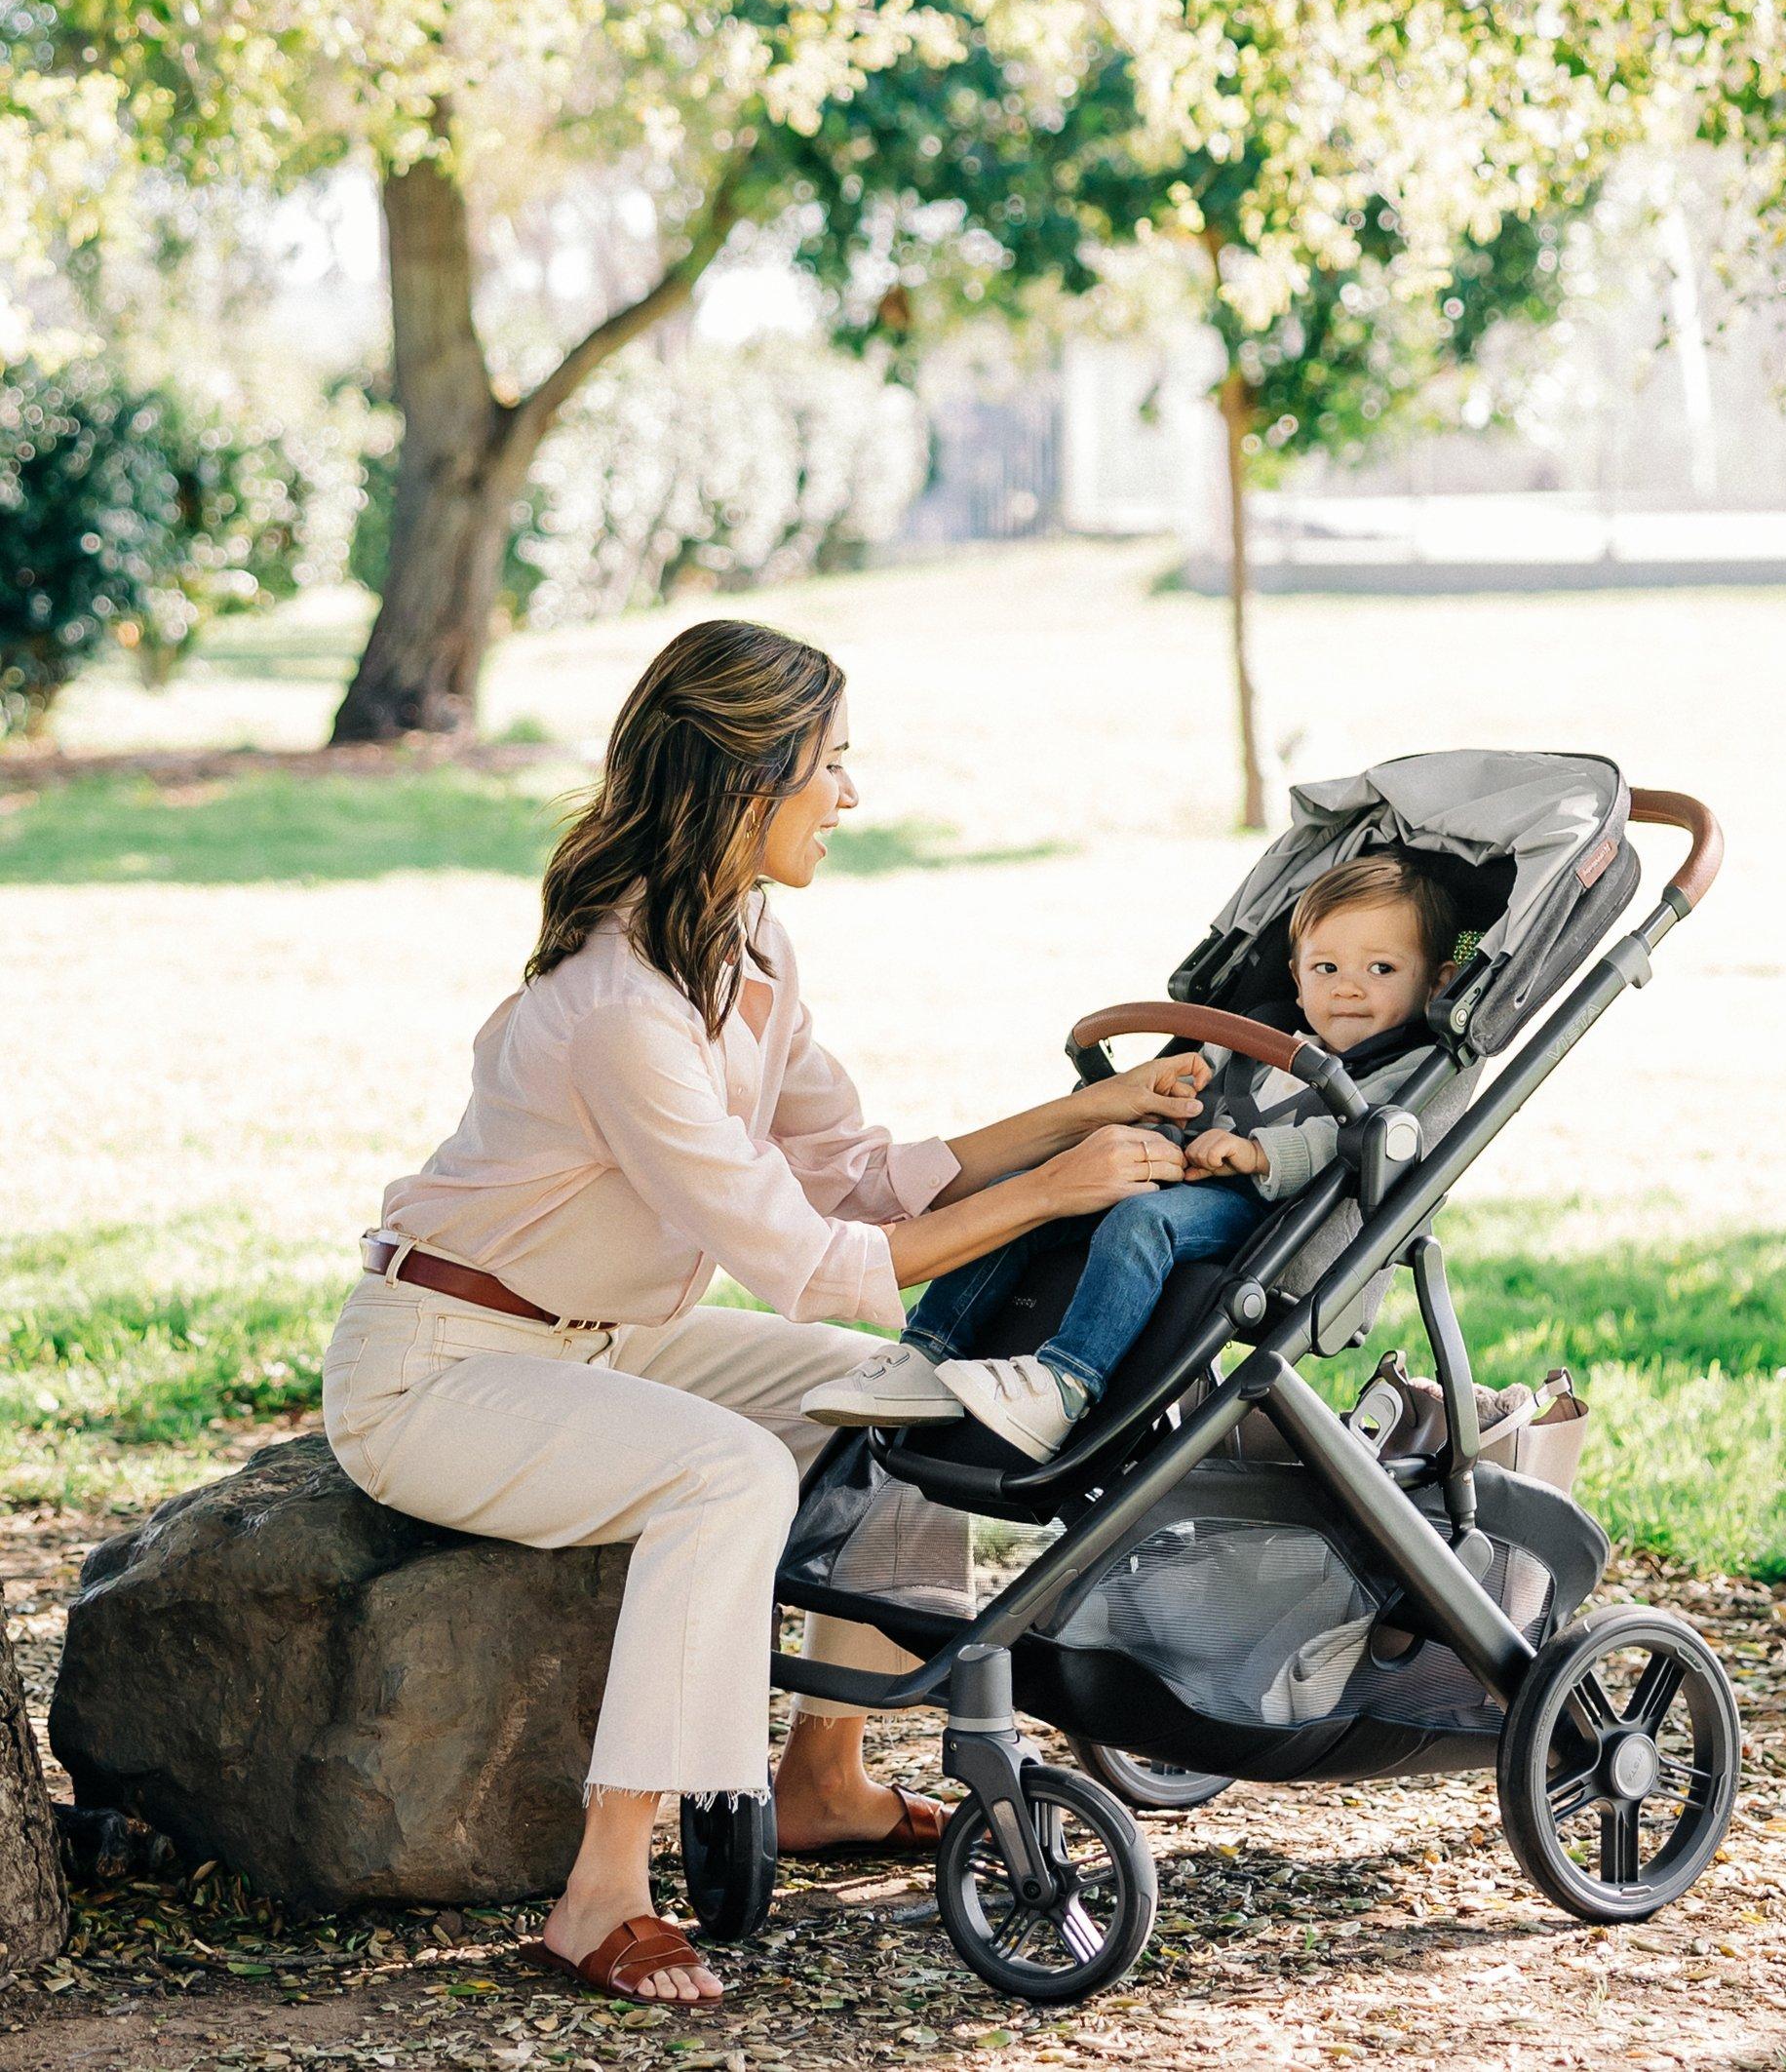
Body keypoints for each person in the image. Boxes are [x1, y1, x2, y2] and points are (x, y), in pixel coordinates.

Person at [319, 619, 1205, 2009]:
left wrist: (1079, 1116)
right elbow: (809, 1260)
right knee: (725, 1470)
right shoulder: (621, 1008)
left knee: (899, 1392)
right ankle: (602, 1890)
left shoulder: (749, 944)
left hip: (605, 1340)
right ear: (747, 779)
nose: (849, 794)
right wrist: (1053, 1194)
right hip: (437, 1372)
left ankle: (822, 1780)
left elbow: (857, 1174)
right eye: (830, 764)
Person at [803, 853, 1458, 1463]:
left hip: (1258, 1213)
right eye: (1326, 969)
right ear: (1295, 974)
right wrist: (1169, 1103)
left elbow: (1349, 1141)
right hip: (1176, 1174)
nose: (1348, 990)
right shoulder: (1258, 1033)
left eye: (1380, 970)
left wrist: (1259, 1154)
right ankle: (927, 1352)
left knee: (1143, 1223)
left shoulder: (1400, 1072)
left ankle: (1065, 1382)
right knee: (1022, 1195)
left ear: (1437, 982)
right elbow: (1198, 1085)